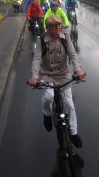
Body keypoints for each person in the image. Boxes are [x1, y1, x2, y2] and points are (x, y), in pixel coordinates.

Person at [27, 16, 86, 148]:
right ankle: (47, 114)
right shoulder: (41, 39)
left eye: (59, 25)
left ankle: (74, 133)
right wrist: (34, 76)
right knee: (48, 98)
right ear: (48, 28)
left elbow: (72, 54)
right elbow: (36, 59)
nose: (58, 28)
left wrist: (78, 69)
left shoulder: (65, 37)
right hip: (46, 75)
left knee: (69, 104)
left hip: (63, 74)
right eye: (54, 26)